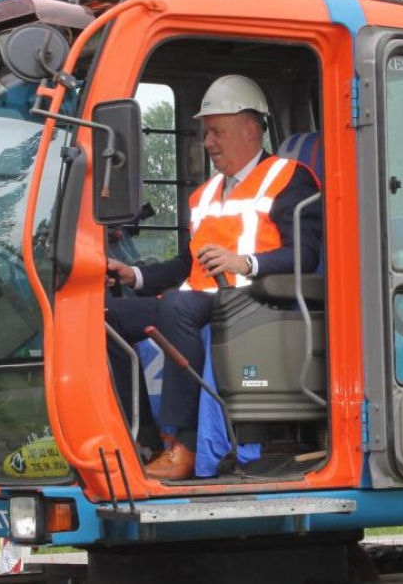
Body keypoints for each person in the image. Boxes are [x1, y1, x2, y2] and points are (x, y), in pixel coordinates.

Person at [105, 74, 322, 479]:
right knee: (102, 317)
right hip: (202, 298)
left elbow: (306, 255)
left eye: (217, 132)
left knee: (176, 307)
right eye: (206, 134)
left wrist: (247, 263)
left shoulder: (290, 178)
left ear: (251, 129)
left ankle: (186, 445)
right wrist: (134, 274)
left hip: (255, 301)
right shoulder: (202, 195)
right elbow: (187, 265)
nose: (208, 144)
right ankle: (146, 439)